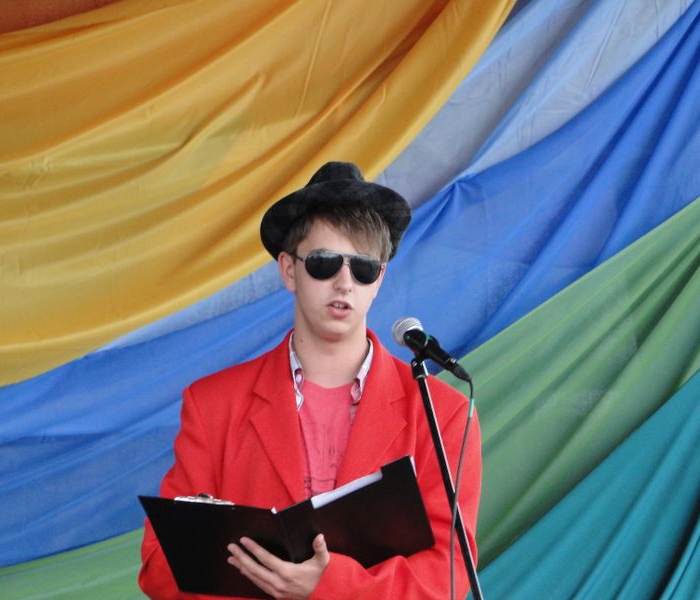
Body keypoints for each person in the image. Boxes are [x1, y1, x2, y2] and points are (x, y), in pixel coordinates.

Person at [138, 162, 482, 599]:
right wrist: (270, 580)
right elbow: (160, 562)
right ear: (288, 270)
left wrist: (330, 587)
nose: (344, 282)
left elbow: (449, 574)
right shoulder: (212, 404)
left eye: (363, 268)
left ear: (379, 279)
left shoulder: (443, 413)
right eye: (323, 263)